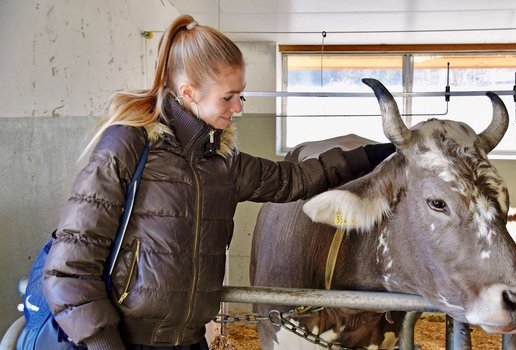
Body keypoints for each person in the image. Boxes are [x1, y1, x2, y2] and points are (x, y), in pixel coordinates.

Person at [43, 14, 395, 350]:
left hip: (189, 339)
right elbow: (68, 270)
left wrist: (373, 155)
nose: (238, 107)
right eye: (228, 97)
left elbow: (294, 179)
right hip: (124, 340)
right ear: (189, 91)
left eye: (240, 94)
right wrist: (103, 342)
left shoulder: (223, 161)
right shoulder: (129, 145)